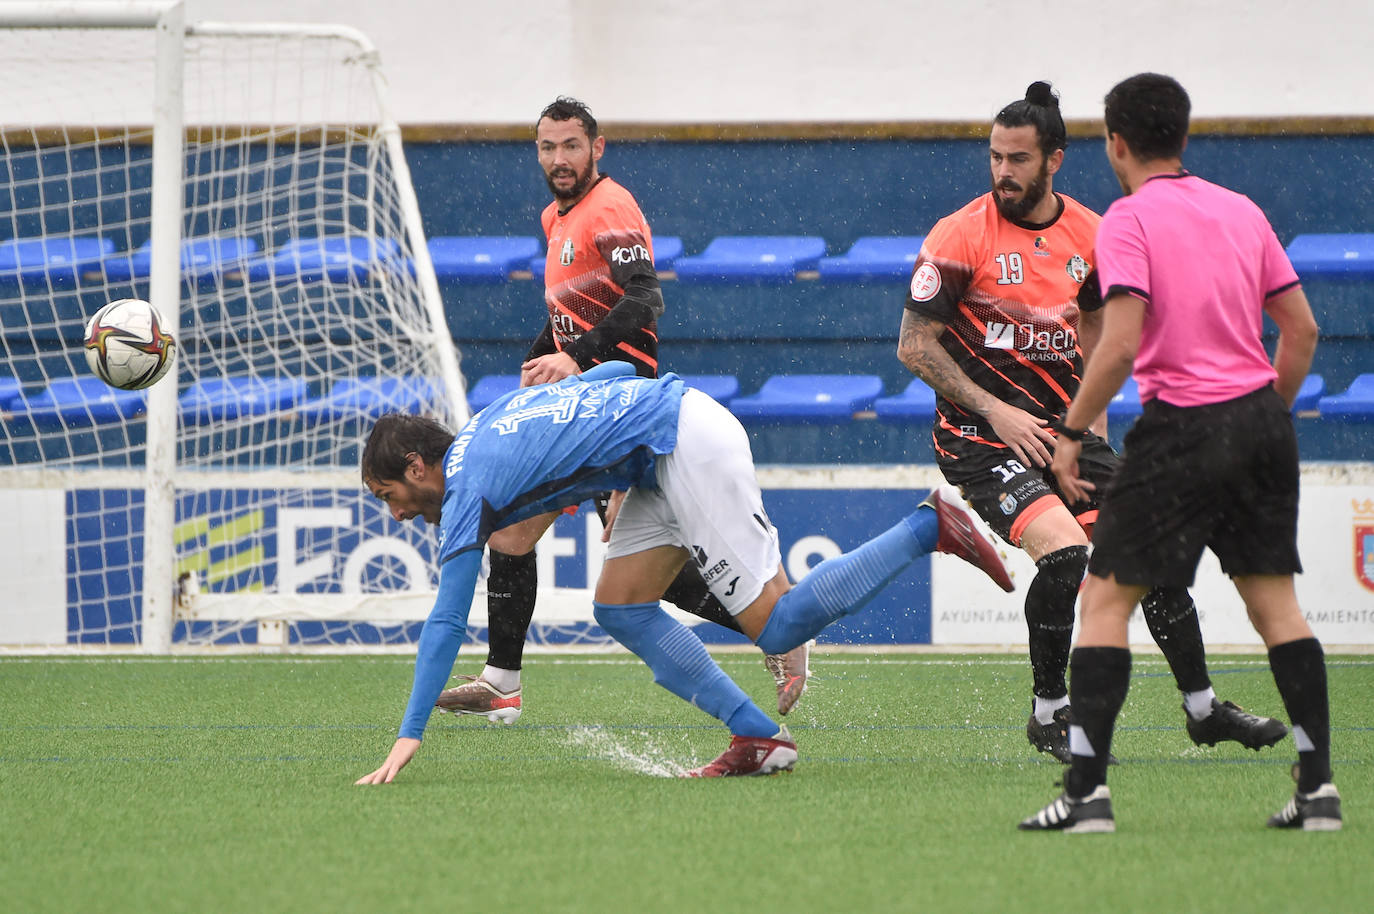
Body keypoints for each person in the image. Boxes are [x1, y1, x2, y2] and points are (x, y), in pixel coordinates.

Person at [354, 362, 1014, 783]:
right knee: (619, 605)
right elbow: (610, 370)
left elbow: (446, 620)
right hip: (654, 457)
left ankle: (927, 526)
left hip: (682, 444)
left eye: (390, 496)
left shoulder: (466, 487)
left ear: (418, 467)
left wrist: (409, 734)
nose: (398, 515)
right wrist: (610, 460)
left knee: (777, 625)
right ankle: (756, 735)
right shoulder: (486, 422)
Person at [897, 81, 1287, 764]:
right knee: (1070, 557)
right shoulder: (961, 235)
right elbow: (914, 345)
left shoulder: (1095, 233)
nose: (1003, 173)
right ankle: (1049, 711)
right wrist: (995, 410)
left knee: (1157, 554)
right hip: (978, 439)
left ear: (1055, 160)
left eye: (1018, 159)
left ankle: (1203, 709)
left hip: (1063, 435)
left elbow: (1100, 329)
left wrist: (1091, 429)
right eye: (995, 158)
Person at [1020, 73, 1338, 832]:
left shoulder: (1127, 220)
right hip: (1260, 421)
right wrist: (1263, 416)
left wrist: (1070, 434)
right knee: (1277, 609)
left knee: (1103, 602)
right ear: (1185, 138)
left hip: (1180, 429)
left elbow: (1121, 342)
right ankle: (1318, 789)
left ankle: (1088, 795)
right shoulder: (1242, 211)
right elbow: (1303, 333)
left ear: (1115, 143)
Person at [439, 97, 810, 723]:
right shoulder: (556, 217)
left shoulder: (610, 207)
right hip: (580, 402)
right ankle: (502, 681)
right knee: (519, 533)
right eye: (548, 148)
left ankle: (779, 625)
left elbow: (645, 300)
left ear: (597, 148)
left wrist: (577, 360)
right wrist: (540, 361)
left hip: (618, 405)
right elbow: (572, 313)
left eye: (571, 147)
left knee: (629, 566)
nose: (560, 159)